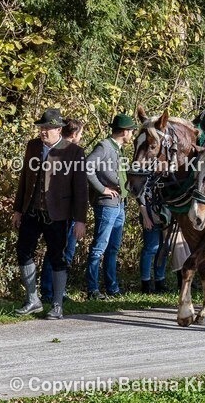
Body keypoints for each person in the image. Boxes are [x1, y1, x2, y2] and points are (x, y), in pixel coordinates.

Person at [12, 108, 88, 319]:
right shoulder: (33, 146)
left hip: (58, 215)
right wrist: (18, 209)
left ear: (59, 129)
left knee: (57, 257)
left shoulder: (74, 152)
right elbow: (24, 180)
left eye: (48, 128)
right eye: (41, 128)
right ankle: (32, 299)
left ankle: (57, 304)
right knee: (23, 252)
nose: (43, 132)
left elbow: (81, 190)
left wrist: (80, 219)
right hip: (31, 211)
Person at [85, 113, 138, 300]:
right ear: (124, 132)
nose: (132, 134)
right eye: (131, 131)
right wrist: (102, 189)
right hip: (107, 204)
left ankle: (111, 288)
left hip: (120, 204)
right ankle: (92, 289)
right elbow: (87, 167)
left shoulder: (119, 148)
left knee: (113, 248)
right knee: (99, 247)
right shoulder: (104, 146)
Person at [40, 117, 84, 302]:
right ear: (74, 134)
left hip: (66, 211)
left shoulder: (72, 152)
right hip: (62, 212)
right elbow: (78, 188)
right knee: (59, 253)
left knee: (57, 252)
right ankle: (52, 292)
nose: (81, 137)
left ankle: (54, 290)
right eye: (81, 134)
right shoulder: (66, 153)